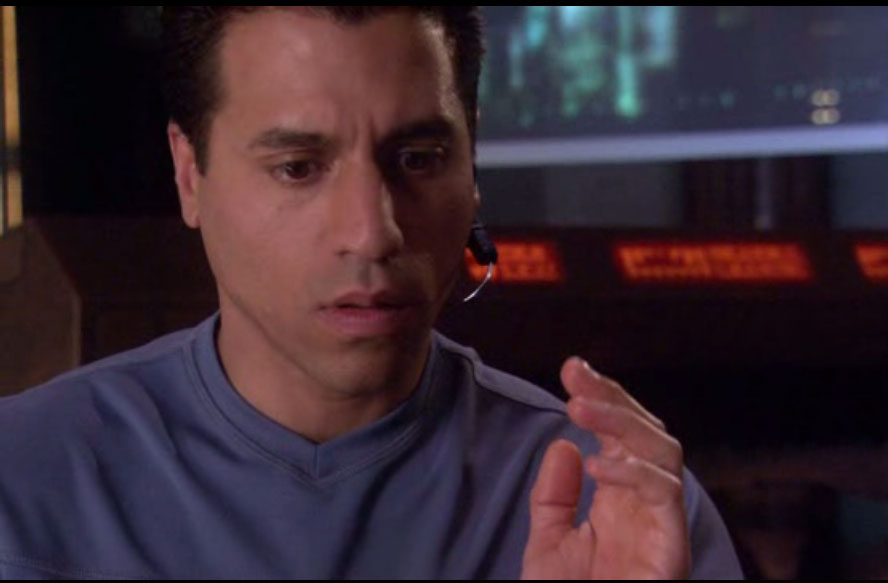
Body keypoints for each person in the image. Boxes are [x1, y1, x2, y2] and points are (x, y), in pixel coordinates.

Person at [0, 6, 742, 579]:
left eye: (418, 159)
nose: (372, 230)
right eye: (297, 167)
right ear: (190, 174)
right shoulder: (25, 487)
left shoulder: (613, 504)